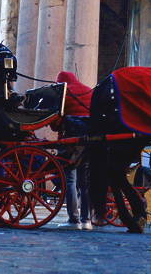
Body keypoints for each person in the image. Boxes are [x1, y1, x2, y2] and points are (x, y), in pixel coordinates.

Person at [56, 70, 93, 230]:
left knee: (70, 179)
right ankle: (86, 221)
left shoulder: (63, 93)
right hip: (89, 142)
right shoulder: (89, 90)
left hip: (70, 142)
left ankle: (73, 220)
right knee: (85, 182)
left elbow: (56, 121)